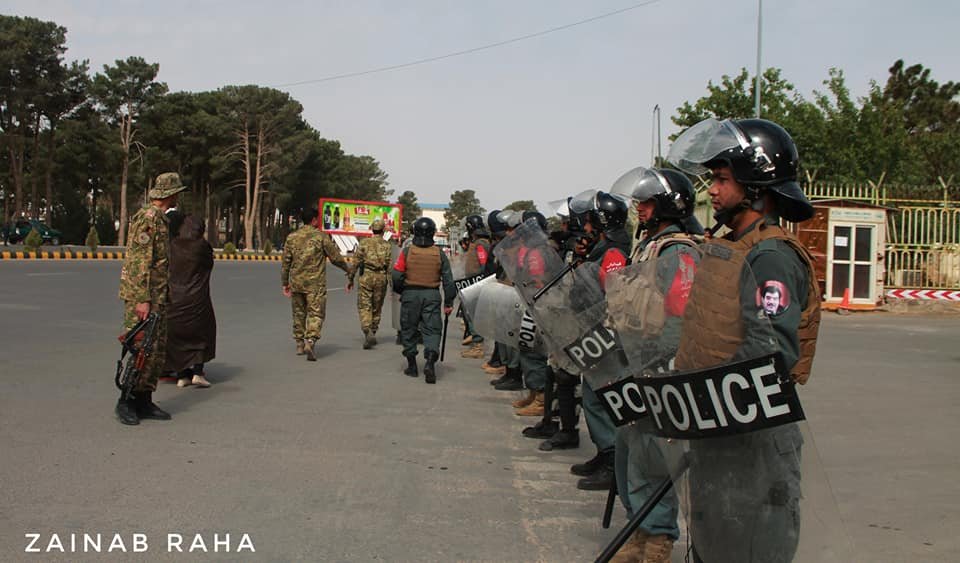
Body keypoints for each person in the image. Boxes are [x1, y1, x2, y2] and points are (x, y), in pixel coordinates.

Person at [668, 117, 822, 562]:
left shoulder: (770, 257)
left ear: (755, 185)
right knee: (714, 543)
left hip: (752, 437)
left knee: (749, 548)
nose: (711, 190)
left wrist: (706, 405)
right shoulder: (733, 245)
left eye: (720, 179)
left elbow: (768, 356)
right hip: (723, 426)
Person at [605, 167, 703, 563]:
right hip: (634, 361)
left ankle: (658, 539)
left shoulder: (678, 251)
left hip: (657, 366)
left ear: (666, 205)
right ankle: (638, 528)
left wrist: (662, 364)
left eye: (646, 203)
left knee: (653, 456)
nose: (639, 210)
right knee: (630, 451)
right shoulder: (649, 245)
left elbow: (679, 312)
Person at [115, 172, 188, 425]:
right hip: (145, 297)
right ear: (170, 193)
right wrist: (141, 299)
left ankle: (144, 400)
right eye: (177, 191)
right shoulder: (147, 219)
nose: (179, 196)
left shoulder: (160, 219)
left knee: (154, 352)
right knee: (140, 349)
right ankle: (126, 401)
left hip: (158, 296)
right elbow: (138, 261)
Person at [281, 207, 352, 361]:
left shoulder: (292, 237)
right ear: (314, 219)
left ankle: (299, 343)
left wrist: (285, 282)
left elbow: (286, 262)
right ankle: (310, 341)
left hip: (297, 283)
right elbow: (335, 258)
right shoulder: (321, 237)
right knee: (316, 314)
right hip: (315, 284)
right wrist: (347, 269)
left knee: (299, 313)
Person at [392, 217, 456, 384]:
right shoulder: (439, 254)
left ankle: (412, 366)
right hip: (432, 296)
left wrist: (402, 291)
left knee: (408, 330)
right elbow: (449, 281)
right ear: (433, 233)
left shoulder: (407, 252)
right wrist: (449, 303)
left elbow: (397, 275)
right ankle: (430, 362)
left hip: (410, 295)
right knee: (433, 331)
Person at [164, 215, 217, 389]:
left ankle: (182, 375)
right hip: (197, 299)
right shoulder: (202, 247)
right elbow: (209, 264)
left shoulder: (172, 246)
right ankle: (198, 373)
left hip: (174, 300)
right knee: (202, 334)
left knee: (178, 339)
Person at [347, 218, 393, 349]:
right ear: (383, 230)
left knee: (364, 305)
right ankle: (373, 331)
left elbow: (355, 263)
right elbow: (390, 267)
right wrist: (391, 286)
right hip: (381, 278)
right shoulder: (387, 245)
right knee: (377, 307)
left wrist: (350, 279)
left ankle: (367, 330)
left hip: (366, 277)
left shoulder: (364, 243)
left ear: (372, 229)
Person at [461, 214, 493, 358]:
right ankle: (474, 337)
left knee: (473, 313)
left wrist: (477, 283)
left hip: (476, 283)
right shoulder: (478, 241)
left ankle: (478, 344)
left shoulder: (480, 244)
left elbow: (483, 263)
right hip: (473, 282)